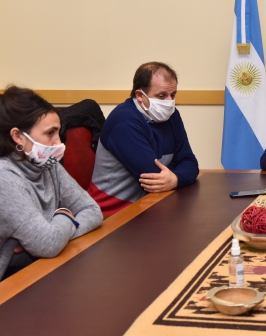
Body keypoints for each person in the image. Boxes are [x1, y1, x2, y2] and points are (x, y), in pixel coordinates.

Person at [0, 86, 103, 279]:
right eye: (50, 133)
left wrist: (52, 231)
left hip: (37, 270)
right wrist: (64, 214)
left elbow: (92, 210)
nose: (59, 143)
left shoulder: (47, 165)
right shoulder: (4, 177)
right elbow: (48, 244)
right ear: (18, 137)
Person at [88, 62, 199, 215]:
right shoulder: (124, 122)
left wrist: (175, 179)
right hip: (112, 213)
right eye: (161, 96)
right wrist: (179, 175)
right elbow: (153, 178)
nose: (169, 102)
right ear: (140, 95)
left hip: (151, 205)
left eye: (172, 95)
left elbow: (190, 161)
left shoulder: (172, 116)